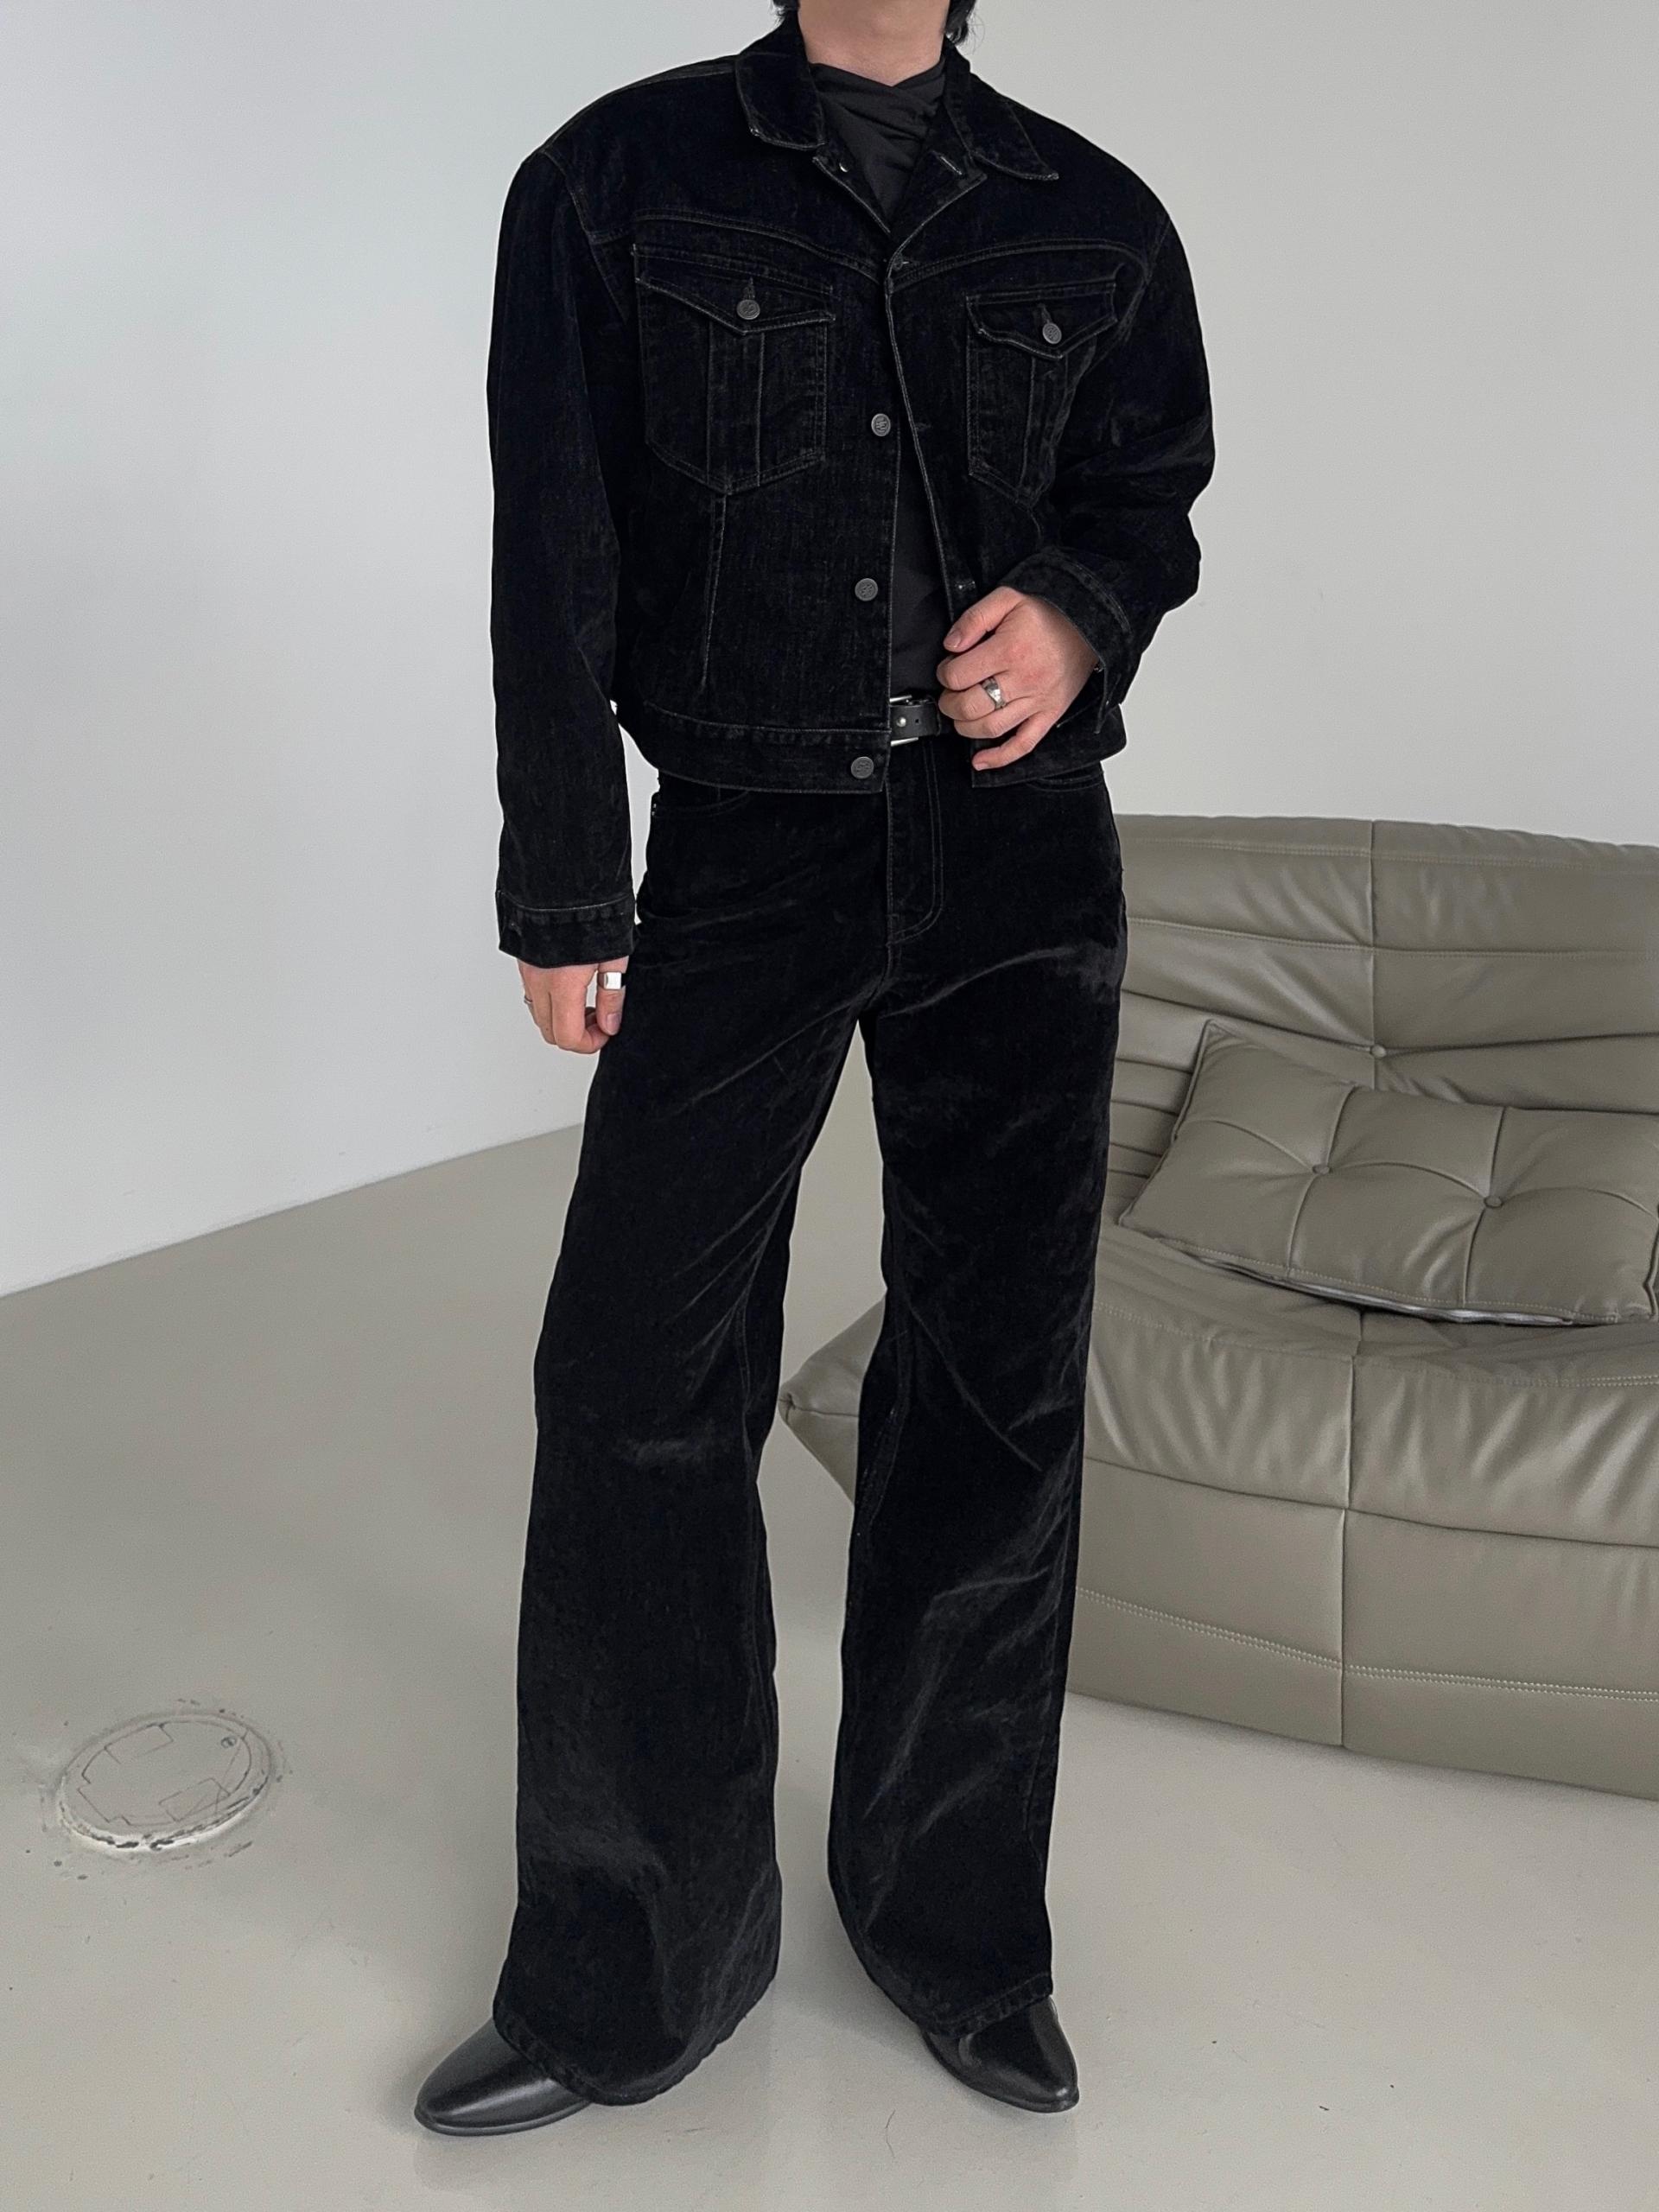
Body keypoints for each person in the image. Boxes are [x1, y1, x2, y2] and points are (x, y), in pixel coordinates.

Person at [416, 0, 1213, 2133]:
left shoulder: (1095, 217)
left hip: (1020, 859)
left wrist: (1077, 607)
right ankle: (633, 1968)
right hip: (740, 849)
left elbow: (1149, 495)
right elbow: (551, 546)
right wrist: (566, 883)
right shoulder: (612, 181)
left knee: (994, 1388)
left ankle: (954, 1929)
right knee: (633, 1377)